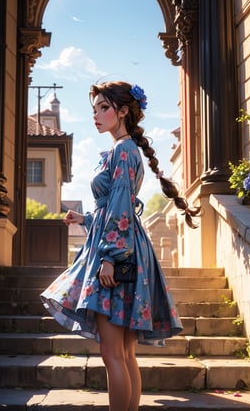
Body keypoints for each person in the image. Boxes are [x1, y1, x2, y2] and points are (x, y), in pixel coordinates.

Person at [40, 81, 200, 411]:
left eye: (103, 108)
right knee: (123, 354)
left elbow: (121, 209)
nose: (96, 116)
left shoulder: (123, 150)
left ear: (123, 111)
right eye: (94, 110)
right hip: (124, 247)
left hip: (118, 252)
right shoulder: (122, 150)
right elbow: (115, 205)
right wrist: (83, 219)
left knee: (113, 353)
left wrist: (110, 257)